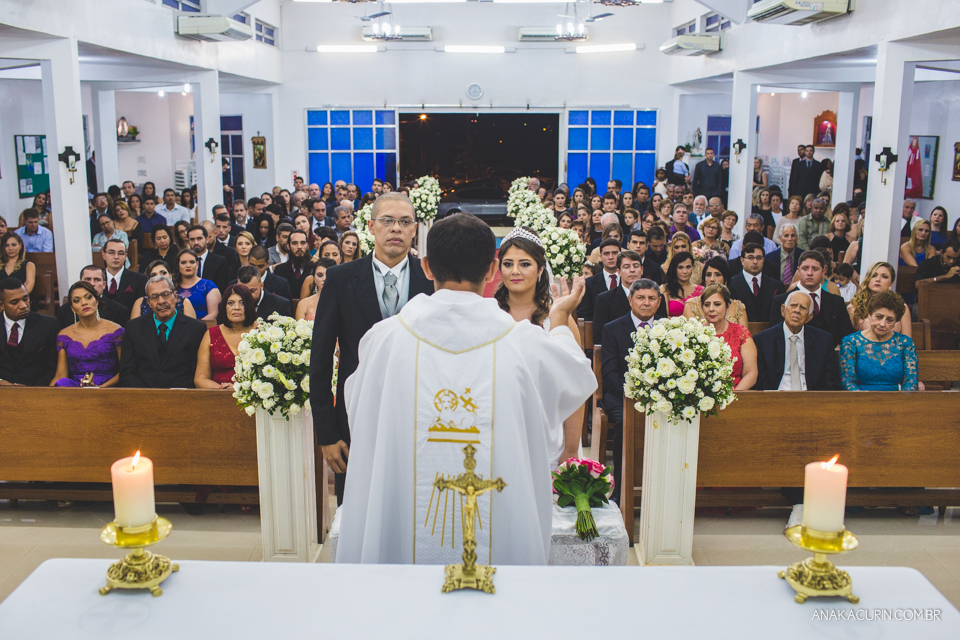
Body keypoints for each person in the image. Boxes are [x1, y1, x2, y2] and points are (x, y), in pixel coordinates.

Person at [336, 212, 594, 566]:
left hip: (401, 545)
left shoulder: (384, 340)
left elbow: (359, 411)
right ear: (492, 270)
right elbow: (576, 377)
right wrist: (561, 320)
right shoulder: (523, 343)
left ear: (426, 267)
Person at [311, 192, 435, 505]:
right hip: (355, 417)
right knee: (358, 508)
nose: (396, 228)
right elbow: (320, 359)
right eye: (387, 220)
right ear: (370, 226)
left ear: (414, 229)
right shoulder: (340, 279)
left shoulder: (431, 279)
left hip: (420, 418)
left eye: (404, 222)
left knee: (416, 508)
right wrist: (327, 433)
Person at [494, 227, 585, 468]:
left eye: (524, 264)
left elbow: (575, 387)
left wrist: (571, 448)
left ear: (541, 269)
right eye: (508, 264)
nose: (515, 271)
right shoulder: (489, 315)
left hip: (549, 432)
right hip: (499, 429)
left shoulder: (558, 317)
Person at [119, 275, 208, 388]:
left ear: (175, 296)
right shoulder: (134, 328)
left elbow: (198, 372)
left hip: (182, 394)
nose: (161, 301)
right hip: (143, 394)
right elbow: (127, 372)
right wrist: (145, 394)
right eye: (154, 297)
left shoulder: (196, 329)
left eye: (166, 294)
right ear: (148, 302)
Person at [753, 290, 839, 391]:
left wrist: (816, 398)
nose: (797, 310)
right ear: (783, 310)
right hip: (775, 396)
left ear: (809, 317)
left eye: (803, 308)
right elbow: (761, 381)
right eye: (793, 305)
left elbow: (830, 380)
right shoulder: (762, 340)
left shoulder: (824, 340)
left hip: (811, 396)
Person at [769, 250, 854, 348]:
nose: (809, 273)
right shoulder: (781, 301)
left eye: (815, 269)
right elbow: (776, 337)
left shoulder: (836, 302)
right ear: (798, 271)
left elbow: (847, 336)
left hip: (830, 354)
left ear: (823, 271)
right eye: (805, 268)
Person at [840, 291, 918, 391]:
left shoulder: (905, 343)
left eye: (890, 320)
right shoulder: (851, 342)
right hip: (860, 397)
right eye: (879, 317)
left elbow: (911, 383)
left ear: (896, 322)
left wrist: (901, 399)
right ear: (869, 315)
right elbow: (848, 382)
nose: (882, 324)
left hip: (896, 397)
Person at [51, 282, 123, 387]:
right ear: (72, 308)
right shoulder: (64, 335)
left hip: (107, 386)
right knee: (62, 383)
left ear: (96, 301)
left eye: (88, 297)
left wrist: (100, 388)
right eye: (77, 300)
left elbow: (125, 370)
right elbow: (61, 374)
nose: (84, 303)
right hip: (77, 386)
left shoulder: (115, 331)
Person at [195, 284, 258, 390]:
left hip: (255, 395)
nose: (236, 307)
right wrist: (222, 389)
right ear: (224, 307)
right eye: (230, 303)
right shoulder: (211, 335)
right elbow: (200, 379)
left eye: (242, 303)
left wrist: (243, 390)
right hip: (218, 395)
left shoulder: (262, 332)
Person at [0, 278, 59, 386]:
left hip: (36, 390)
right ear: (1, 305)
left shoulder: (48, 325)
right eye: (14, 302)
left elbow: (53, 368)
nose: (23, 306)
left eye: (25, 299)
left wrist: (32, 390)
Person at [699, 284, 757, 390]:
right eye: (707, 305)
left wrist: (734, 395)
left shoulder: (740, 333)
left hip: (736, 393)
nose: (711, 309)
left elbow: (751, 373)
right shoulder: (695, 333)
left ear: (727, 305)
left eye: (717, 304)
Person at [592, 249, 651, 345]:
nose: (632, 270)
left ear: (642, 270)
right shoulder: (605, 299)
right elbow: (599, 337)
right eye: (627, 267)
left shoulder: (655, 298)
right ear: (619, 272)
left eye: (636, 266)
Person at [848, 262, 912, 337]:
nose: (878, 279)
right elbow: (848, 340)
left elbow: (907, 340)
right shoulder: (854, 306)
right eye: (874, 275)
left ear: (891, 283)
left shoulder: (901, 307)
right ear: (868, 279)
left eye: (884, 276)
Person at [730, 240, 786, 323]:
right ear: (742, 260)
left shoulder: (776, 286)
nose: (755, 262)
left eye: (759, 258)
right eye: (750, 258)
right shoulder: (731, 285)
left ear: (763, 260)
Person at [57, 265, 129, 329]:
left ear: (104, 285)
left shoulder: (119, 311)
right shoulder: (64, 311)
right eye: (87, 279)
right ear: (80, 282)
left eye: (97, 280)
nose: (92, 283)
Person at [684, 257, 746, 326]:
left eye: (717, 275)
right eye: (708, 275)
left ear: (726, 279)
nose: (712, 279)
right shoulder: (691, 306)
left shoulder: (738, 307)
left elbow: (744, 332)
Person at [131, 260, 197, 320]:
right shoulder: (140, 303)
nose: (159, 276)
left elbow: (191, 327)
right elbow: (134, 327)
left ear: (170, 277)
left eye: (163, 273)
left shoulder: (184, 302)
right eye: (153, 275)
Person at [577, 238, 620, 321]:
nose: (610, 257)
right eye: (606, 254)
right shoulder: (589, 283)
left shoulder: (628, 281)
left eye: (614, 253)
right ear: (600, 257)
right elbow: (583, 313)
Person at [101, 239, 147, 313]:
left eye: (120, 253)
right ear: (103, 255)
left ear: (125, 256)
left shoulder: (139, 279)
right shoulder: (96, 279)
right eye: (111, 252)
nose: (116, 257)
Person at [175, 249, 221, 322]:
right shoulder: (172, 287)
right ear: (178, 265)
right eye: (183, 262)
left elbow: (214, 313)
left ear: (197, 264)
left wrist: (196, 326)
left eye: (192, 262)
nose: (188, 265)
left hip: (204, 326)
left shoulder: (208, 285)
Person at [187, 225, 229, 292]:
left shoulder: (219, 262)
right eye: (192, 239)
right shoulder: (184, 261)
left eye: (199, 238)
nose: (196, 242)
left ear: (207, 239)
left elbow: (221, 289)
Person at [274, 229, 314, 297]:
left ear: (307, 245)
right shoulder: (279, 270)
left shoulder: (314, 269)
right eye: (294, 243)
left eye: (303, 243)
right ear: (288, 246)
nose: (299, 247)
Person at [661, 251, 702, 317]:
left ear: (693, 267)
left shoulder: (702, 290)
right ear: (674, 268)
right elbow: (664, 316)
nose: (685, 271)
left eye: (688, 267)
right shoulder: (664, 289)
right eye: (680, 267)